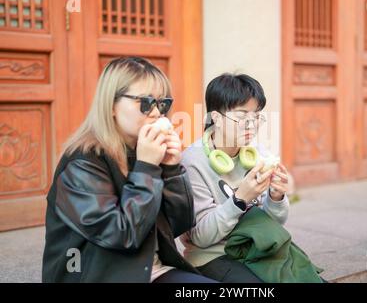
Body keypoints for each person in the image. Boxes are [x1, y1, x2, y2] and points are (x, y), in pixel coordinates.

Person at [42, 56, 216, 283]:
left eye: (162, 103)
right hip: (97, 275)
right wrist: (146, 168)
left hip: (149, 269)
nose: (156, 113)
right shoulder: (83, 163)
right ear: (112, 105)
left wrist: (172, 170)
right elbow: (122, 235)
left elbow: (177, 226)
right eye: (145, 102)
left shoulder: (142, 151)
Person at [180, 73, 290, 282]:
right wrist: (240, 199)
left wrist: (276, 198)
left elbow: (272, 224)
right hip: (213, 257)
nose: (251, 124)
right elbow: (200, 238)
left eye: (256, 116)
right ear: (217, 118)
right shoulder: (192, 162)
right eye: (241, 117)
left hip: (256, 249)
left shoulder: (257, 153)